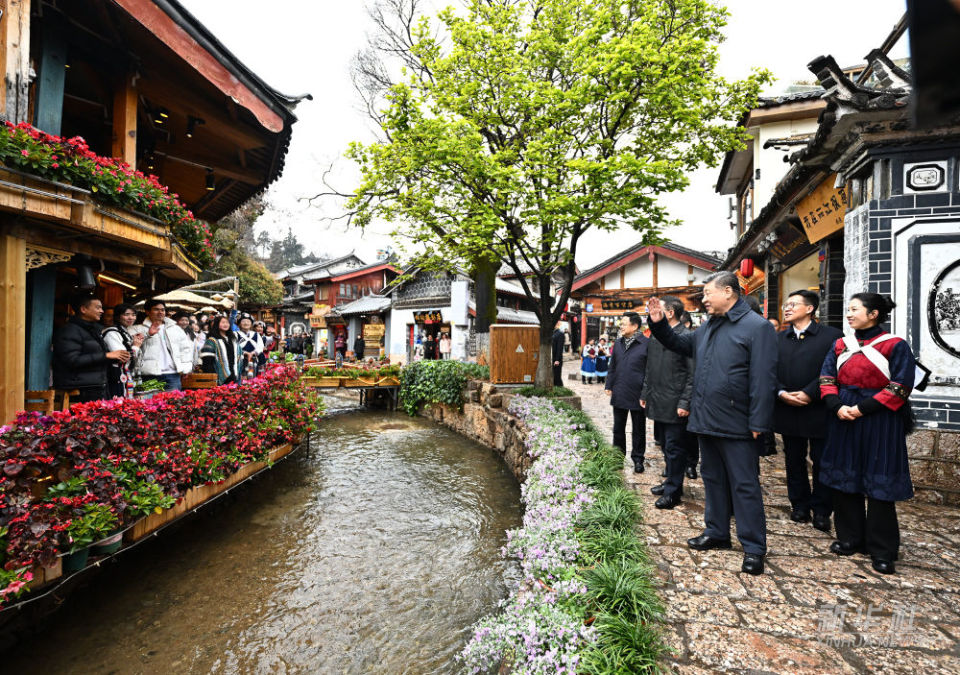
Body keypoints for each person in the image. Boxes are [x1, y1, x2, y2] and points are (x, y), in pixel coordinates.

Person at [647, 271, 777, 576]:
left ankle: (754, 547)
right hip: (706, 418)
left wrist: (760, 420)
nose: (703, 300)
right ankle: (716, 531)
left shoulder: (757, 328)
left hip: (739, 421)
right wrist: (658, 322)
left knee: (744, 485)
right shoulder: (707, 329)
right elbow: (678, 343)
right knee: (713, 479)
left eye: (708, 293)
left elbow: (764, 378)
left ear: (729, 292)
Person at [819, 293, 915, 575]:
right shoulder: (840, 344)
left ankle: (882, 548)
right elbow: (826, 377)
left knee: (879, 481)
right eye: (848, 310)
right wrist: (836, 405)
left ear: (873, 314)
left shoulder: (895, 345)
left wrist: (861, 408)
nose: (849, 314)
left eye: (854, 309)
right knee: (844, 477)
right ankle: (849, 537)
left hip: (880, 419)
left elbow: (900, 385)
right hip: (842, 415)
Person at [775, 290, 843, 532]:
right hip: (787, 407)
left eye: (793, 304)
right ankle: (799, 505)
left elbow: (836, 370)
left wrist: (810, 393)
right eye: (786, 304)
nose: (787, 308)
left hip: (818, 408)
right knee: (793, 460)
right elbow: (768, 370)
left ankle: (823, 510)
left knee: (823, 461)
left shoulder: (832, 336)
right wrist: (781, 392)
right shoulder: (779, 339)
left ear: (810, 308)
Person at [641, 296, 695, 509]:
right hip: (658, 399)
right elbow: (650, 368)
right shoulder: (657, 335)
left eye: (659, 309)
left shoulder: (686, 337)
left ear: (670, 313)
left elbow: (692, 374)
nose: (652, 311)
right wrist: (645, 393)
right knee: (665, 445)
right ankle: (670, 481)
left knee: (675, 448)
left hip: (675, 402)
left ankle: (674, 491)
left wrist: (685, 402)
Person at [53, 294, 130, 403]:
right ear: (83, 309)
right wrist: (106, 355)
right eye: (98, 307)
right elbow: (72, 360)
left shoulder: (94, 330)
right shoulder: (69, 330)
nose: (101, 311)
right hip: (80, 390)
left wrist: (115, 357)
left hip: (97, 386)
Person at [605, 313, 649, 473]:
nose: (621, 327)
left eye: (624, 324)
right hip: (620, 391)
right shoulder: (618, 343)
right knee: (618, 428)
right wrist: (609, 384)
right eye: (620, 324)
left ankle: (638, 459)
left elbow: (650, 372)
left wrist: (645, 393)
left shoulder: (646, 344)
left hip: (638, 394)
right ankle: (618, 457)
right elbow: (612, 366)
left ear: (635, 326)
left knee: (638, 429)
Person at [130, 299, 194, 391]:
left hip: (172, 374)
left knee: (173, 403)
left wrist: (186, 368)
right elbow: (133, 348)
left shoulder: (175, 328)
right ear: (147, 311)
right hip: (148, 374)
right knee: (149, 404)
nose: (160, 312)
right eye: (156, 309)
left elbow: (185, 349)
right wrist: (148, 334)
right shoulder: (136, 329)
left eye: (162, 310)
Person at [102, 303, 144, 398]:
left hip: (125, 377)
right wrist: (136, 346)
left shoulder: (125, 332)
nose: (131, 318)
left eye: (133, 315)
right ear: (117, 316)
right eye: (126, 314)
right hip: (115, 377)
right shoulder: (111, 333)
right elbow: (122, 357)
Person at [200, 315, 241, 385]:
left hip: (234, 375)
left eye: (227, 322)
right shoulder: (212, 341)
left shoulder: (233, 340)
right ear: (216, 324)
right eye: (223, 322)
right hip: (218, 376)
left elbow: (239, 357)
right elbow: (207, 361)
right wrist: (212, 376)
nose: (226, 324)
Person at [236, 314, 264, 380]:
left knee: (254, 378)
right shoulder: (235, 334)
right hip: (240, 360)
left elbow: (260, 346)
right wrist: (244, 353)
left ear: (251, 324)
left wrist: (254, 352)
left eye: (248, 322)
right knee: (241, 379)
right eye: (243, 321)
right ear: (239, 324)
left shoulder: (256, 334)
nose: (246, 323)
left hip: (253, 359)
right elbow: (234, 346)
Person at [551, 322, 565, 387]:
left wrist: (557, 360)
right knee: (553, 376)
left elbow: (559, 348)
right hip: (551, 357)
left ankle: (560, 388)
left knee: (557, 376)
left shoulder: (560, 334)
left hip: (556, 359)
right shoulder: (552, 333)